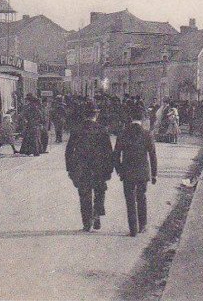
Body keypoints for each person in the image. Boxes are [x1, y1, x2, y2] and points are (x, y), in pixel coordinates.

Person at [65, 100, 113, 232]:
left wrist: (70, 169)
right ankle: (97, 214)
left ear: (84, 114)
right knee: (100, 191)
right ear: (96, 114)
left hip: (82, 168)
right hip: (99, 168)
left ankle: (87, 223)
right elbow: (109, 152)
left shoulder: (77, 129)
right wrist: (109, 169)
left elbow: (69, 151)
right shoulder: (102, 130)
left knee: (84, 195)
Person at [113, 105, 158, 237]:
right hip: (142, 172)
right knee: (141, 197)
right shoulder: (147, 134)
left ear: (130, 117)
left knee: (130, 199)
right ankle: (142, 225)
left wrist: (119, 170)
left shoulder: (123, 133)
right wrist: (154, 174)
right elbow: (152, 155)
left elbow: (116, 155)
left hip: (127, 172)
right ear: (142, 119)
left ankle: (133, 229)